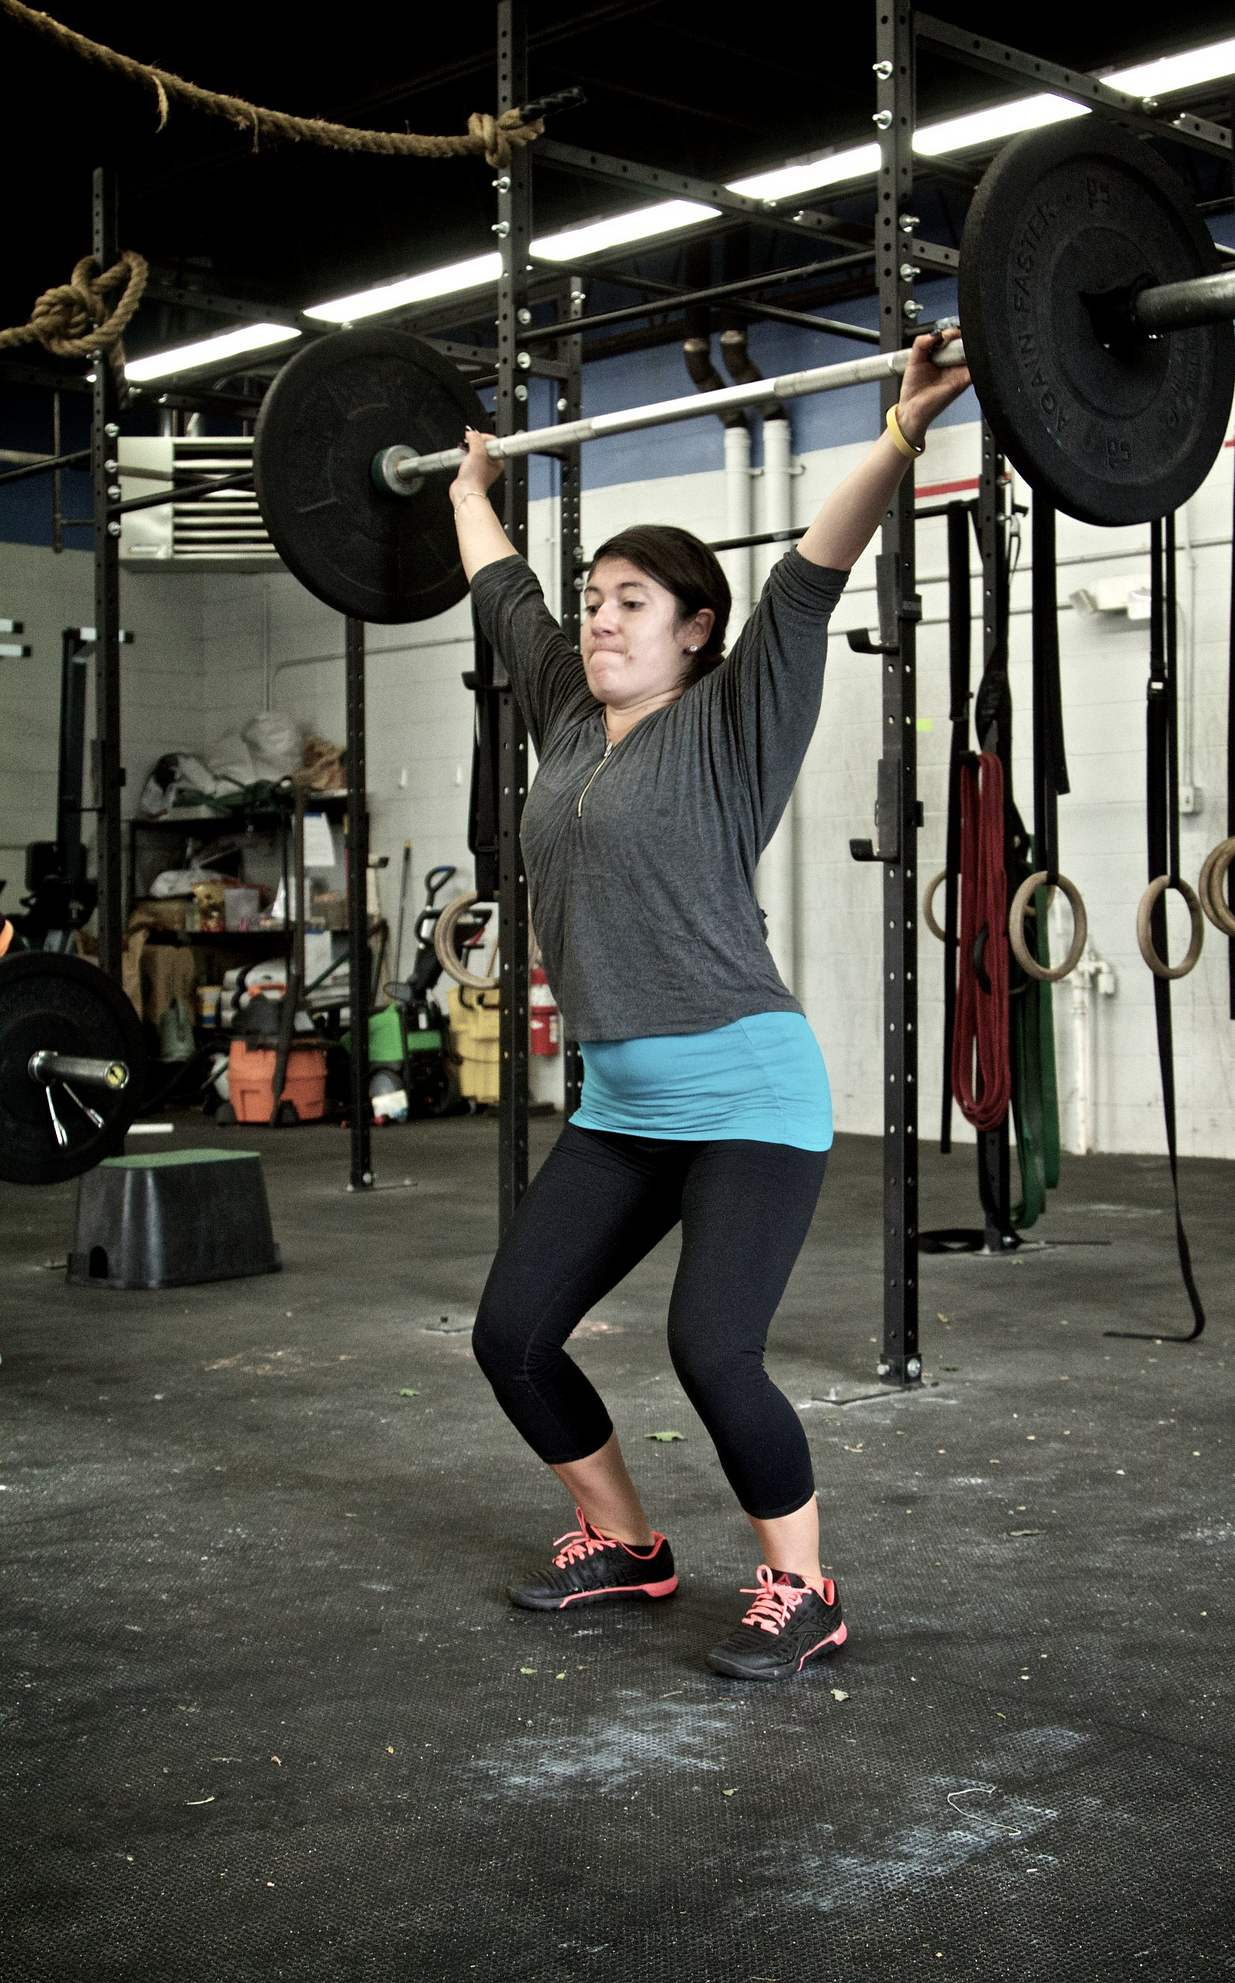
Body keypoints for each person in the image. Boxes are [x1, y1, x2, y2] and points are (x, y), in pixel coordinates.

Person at [450, 331, 971, 1680]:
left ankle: (804, 1587)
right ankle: (625, 1543)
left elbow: (812, 569)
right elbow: (502, 590)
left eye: (631, 600)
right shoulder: (566, 716)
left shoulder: (736, 718)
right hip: (623, 1107)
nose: (599, 619)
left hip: (745, 1092)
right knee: (512, 1336)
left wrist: (902, 431)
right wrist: (464, 487)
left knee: (712, 1349)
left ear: (694, 627)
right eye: (594, 598)